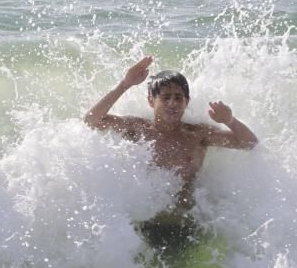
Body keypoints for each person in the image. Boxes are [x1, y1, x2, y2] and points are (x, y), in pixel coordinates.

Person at [84, 55, 258, 256]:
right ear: (151, 101)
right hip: (143, 225)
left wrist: (230, 120)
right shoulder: (138, 128)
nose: (173, 103)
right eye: (165, 97)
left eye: (178, 97)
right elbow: (91, 120)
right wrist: (125, 84)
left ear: (187, 101)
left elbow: (250, 144)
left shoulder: (198, 135)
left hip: (185, 227)